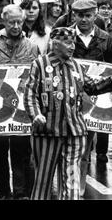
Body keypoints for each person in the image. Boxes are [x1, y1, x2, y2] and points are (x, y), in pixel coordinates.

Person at [24, 27, 112, 200]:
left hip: (75, 132)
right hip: (47, 133)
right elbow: (30, 94)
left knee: (71, 182)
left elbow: (92, 87)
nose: (72, 46)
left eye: (73, 42)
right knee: (43, 181)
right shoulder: (40, 64)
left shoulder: (76, 65)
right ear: (55, 44)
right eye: (67, 42)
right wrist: (35, 115)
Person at [0, 4, 39, 200]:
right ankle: (2, 191)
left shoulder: (32, 46)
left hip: (23, 107)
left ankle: (22, 193)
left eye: (19, 22)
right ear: (3, 21)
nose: (16, 25)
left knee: (22, 151)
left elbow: (37, 76)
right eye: (11, 21)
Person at [68, 0, 112, 195]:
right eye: (79, 15)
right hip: (68, 99)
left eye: (88, 15)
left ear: (95, 15)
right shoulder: (65, 35)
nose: (84, 19)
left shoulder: (106, 38)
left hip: (95, 101)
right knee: (69, 146)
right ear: (73, 15)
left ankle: (79, 188)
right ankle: (68, 185)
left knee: (85, 147)